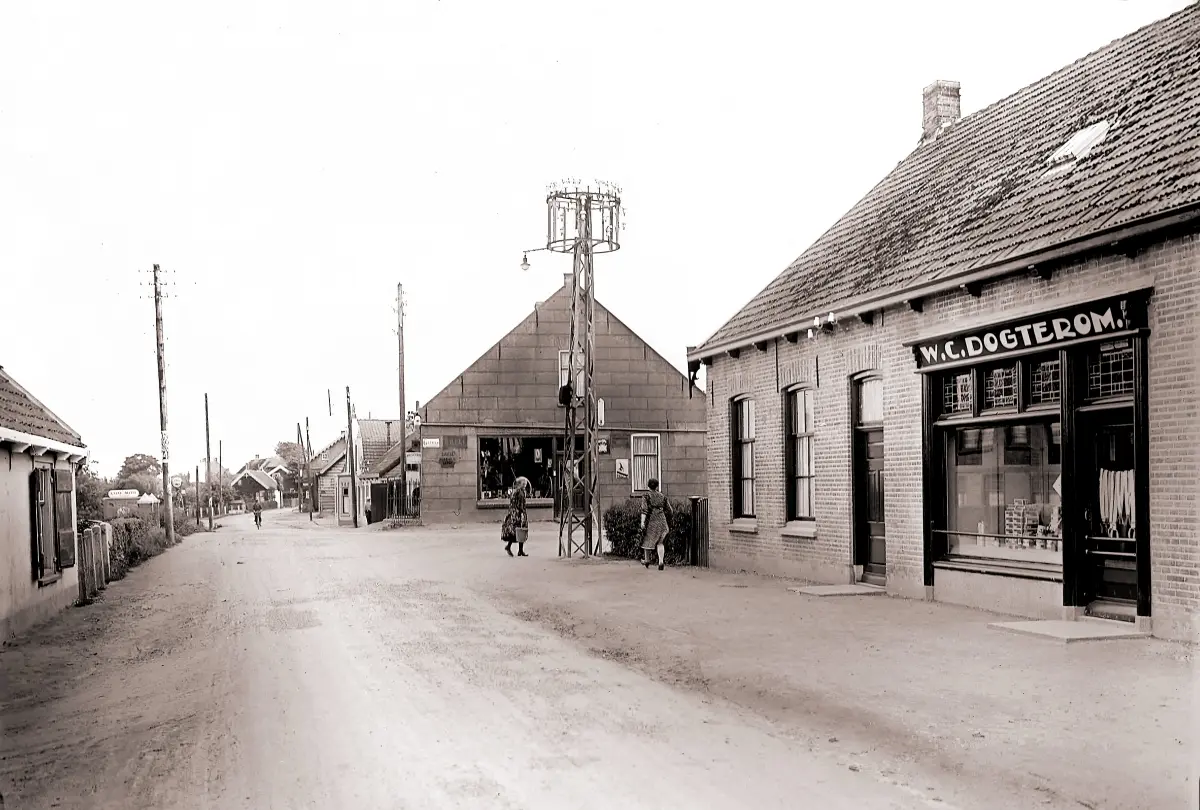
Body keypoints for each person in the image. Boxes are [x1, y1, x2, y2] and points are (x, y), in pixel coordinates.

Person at [639, 478, 673, 571]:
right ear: (657, 486)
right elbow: (670, 510)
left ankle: (647, 560)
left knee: (647, 540)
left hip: (651, 521)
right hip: (662, 520)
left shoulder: (646, 496)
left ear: (648, 486)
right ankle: (661, 562)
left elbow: (644, 510)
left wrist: (642, 522)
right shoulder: (662, 496)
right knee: (660, 542)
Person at [502, 476, 530, 557]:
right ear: (520, 484)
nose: (525, 485)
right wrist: (522, 514)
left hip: (513, 513)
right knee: (521, 530)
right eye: (524, 483)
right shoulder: (520, 493)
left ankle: (518, 550)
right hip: (518, 514)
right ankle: (516, 549)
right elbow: (521, 505)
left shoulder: (514, 492)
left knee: (516, 531)